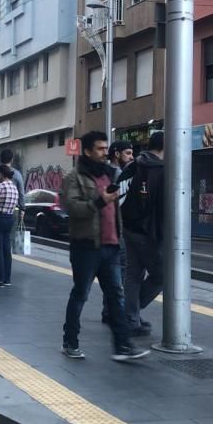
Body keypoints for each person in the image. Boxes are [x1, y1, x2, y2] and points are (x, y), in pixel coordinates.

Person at [61, 131, 149, 363]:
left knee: (116, 297)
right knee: (80, 294)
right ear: (88, 150)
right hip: (86, 247)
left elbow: (115, 209)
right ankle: (70, 341)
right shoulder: (74, 177)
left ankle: (123, 345)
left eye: (105, 148)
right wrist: (100, 200)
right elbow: (73, 208)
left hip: (111, 246)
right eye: (100, 148)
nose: (105, 152)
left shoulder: (110, 175)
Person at [116, 131, 166, 336]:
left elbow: (118, 194)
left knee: (133, 274)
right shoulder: (162, 169)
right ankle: (132, 311)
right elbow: (163, 206)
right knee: (162, 275)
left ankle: (130, 318)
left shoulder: (132, 166)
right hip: (148, 232)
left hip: (127, 228)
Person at [101, 140, 134, 325]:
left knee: (109, 273)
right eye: (128, 153)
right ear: (117, 154)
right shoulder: (119, 174)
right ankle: (113, 312)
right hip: (117, 230)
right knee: (118, 272)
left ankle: (108, 310)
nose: (131, 157)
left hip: (106, 229)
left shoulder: (103, 172)